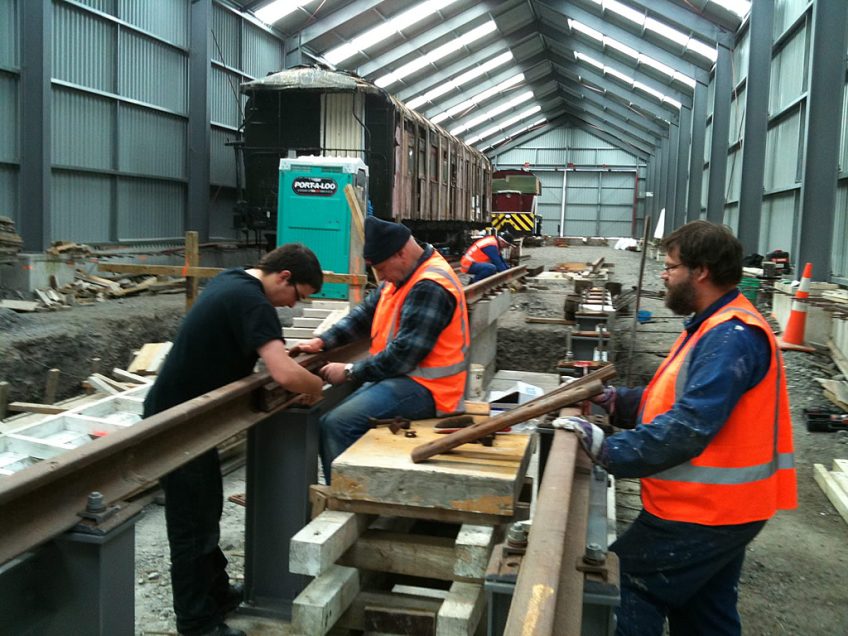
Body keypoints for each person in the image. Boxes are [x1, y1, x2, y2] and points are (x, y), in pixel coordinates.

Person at [555, 220, 797, 636]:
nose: (663, 275)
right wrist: (618, 402)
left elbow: (689, 426)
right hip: (726, 509)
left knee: (627, 583)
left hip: (705, 511)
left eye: (670, 267)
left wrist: (609, 449)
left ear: (700, 271)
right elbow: (673, 400)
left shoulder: (731, 336)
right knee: (704, 613)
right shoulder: (714, 324)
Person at [143, 243, 325, 636]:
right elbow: (285, 376)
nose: (294, 307)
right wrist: (317, 385)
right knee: (192, 527)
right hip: (176, 427)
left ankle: (219, 594)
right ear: (284, 277)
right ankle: (197, 624)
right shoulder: (254, 303)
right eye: (298, 296)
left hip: (185, 417)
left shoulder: (232, 281)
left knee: (205, 512)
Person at [290, 216, 470, 481]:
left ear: (401, 253)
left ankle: (350, 503)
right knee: (336, 417)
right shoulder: (401, 277)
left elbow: (403, 355)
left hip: (431, 390)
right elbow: (364, 315)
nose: (380, 276)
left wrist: (350, 371)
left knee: (338, 424)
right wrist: (323, 341)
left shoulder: (429, 285)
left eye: (382, 268)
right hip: (405, 379)